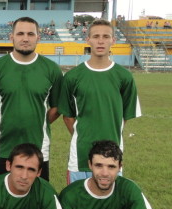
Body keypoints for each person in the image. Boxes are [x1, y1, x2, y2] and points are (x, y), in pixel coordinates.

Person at [57, 19, 141, 184]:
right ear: (88, 40)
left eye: (105, 36)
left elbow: (125, 115)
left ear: (113, 41)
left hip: (113, 156)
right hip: (80, 156)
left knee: (110, 205)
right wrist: (83, 136)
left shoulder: (124, 77)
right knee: (78, 204)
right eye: (96, 36)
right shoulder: (73, 77)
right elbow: (67, 116)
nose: (100, 41)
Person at [0, 17, 63, 182]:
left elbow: (57, 107)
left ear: (38, 37)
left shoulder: (51, 69)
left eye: (30, 34)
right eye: (20, 33)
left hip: (38, 149)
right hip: (1, 148)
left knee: (34, 203)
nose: (25, 38)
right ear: (11, 37)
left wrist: (38, 120)